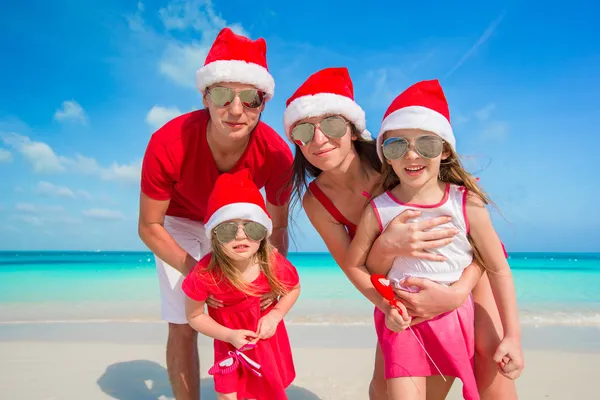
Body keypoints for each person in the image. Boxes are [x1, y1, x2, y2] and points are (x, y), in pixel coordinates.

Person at [285, 67, 518, 399]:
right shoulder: (317, 201)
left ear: (352, 129)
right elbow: (358, 268)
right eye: (304, 132)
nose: (319, 140)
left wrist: (457, 293)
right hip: (402, 288)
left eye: (332, 125)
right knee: (384, 391)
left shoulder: (396, 158)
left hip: (466, 269)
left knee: (490, 365)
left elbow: (476, 238)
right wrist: (389, 262)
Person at [138, 28, 293, 400]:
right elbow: (149, 225)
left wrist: (271, 280)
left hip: (236, 222)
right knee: (183, 322)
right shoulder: (168, 142)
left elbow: (280, 223)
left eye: (250, 99)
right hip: (178, 222)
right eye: (222, 94)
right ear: (206, 96)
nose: (235, 110)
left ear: (264, 102)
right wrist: (199, 274)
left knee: (253, 316)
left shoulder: (277, 155)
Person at [182, 169, 300, 400]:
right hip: (228, 343)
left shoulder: (272, 263)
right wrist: (228, 335)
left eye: (251, 227)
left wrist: (275, 314)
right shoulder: (206, 273)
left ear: (263, 233)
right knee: (228, 395)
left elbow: (293, 288)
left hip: (265, 341)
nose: (240, 236)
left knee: (266, 393)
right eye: (227, 229)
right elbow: (194, 316)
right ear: (214, 236)